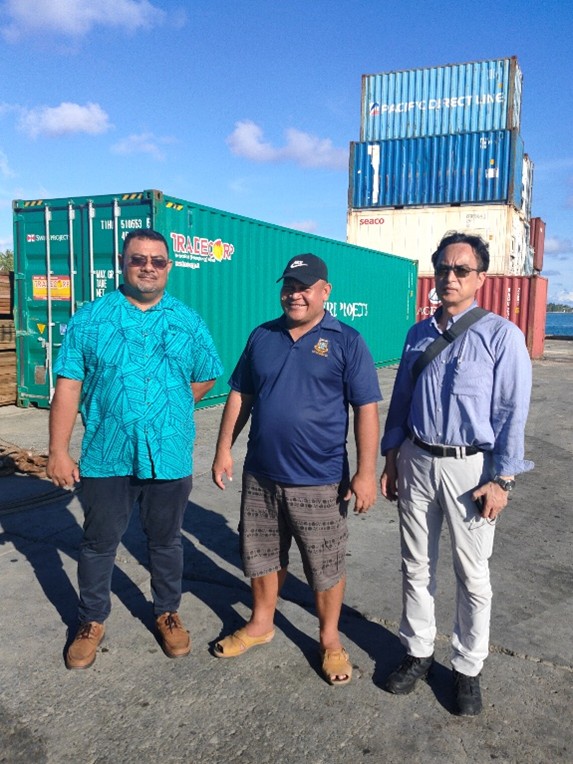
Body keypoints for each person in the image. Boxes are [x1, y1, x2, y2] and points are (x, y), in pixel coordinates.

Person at [47, 229, 223, 670]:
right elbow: (68, 385)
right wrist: (58, 450)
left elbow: (205, 376)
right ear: (122, 263)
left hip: (169, 453)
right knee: (98, 542)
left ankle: (166, 611)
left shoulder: (188, 321)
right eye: (138, 259)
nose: (148, 266)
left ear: (169, 266)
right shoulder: (91, 320)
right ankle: (90, 620)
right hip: (107, 453)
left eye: (157, 260)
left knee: (165, 541)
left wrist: (171, 408)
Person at [380, 231, 533, 715]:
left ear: (480, 278)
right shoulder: (417, 334)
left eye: (461, 270)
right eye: (443, 268)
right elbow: (401, 400)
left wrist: (503, 480)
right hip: (417, 459)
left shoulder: (501, 335)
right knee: (415, 564)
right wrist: (390, 458)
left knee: (472, 574)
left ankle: (468, 667)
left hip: (472, 469)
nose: (449, 277)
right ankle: (418, 652)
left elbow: (512, 411)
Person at [211, 253, 381, 685]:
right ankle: (261, 624)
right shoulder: (262, 336)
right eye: (289, 284)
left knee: (324, 565)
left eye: (305, 286)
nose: (295, 293)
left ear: (325, 291)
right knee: (261, 556)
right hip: (262, 474)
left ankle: (329, 640)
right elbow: (240, 396)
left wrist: (364, 473)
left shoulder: (347, 341)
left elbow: (365, 409)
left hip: (320, 480)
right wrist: (223, 449)